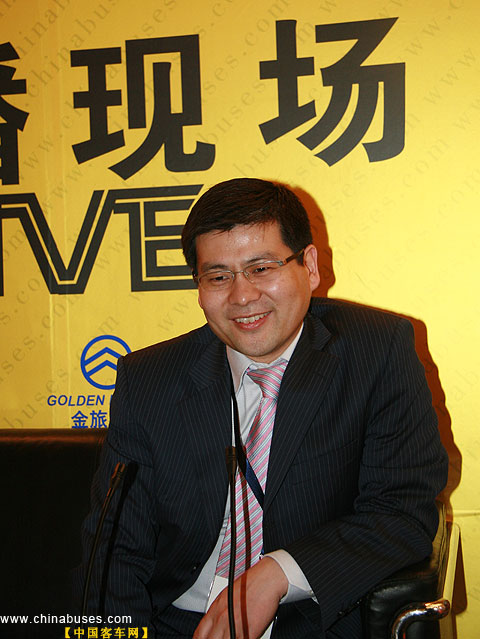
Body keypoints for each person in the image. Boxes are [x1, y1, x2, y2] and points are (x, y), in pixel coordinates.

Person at [77, 178, 448, 639]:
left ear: (309, 266)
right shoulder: (149, 379)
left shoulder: (377, 351)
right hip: (175, 622)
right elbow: (115, 548)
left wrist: (277, 574)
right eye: (218, 277)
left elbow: (401, 512)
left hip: (311, 620)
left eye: (261, 268)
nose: (242, 296)